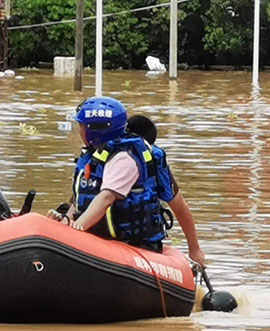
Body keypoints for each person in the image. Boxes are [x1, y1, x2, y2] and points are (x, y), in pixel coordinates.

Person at [52, 96, 206, 267]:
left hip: (133, 246)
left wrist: (195, 250)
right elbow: (79, 201)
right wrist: (65, 222)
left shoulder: (124, 159)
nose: (78, 132)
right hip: (97, 240)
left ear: (93, 131)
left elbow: (105, 199)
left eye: (80, 127)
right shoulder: (92, 157)